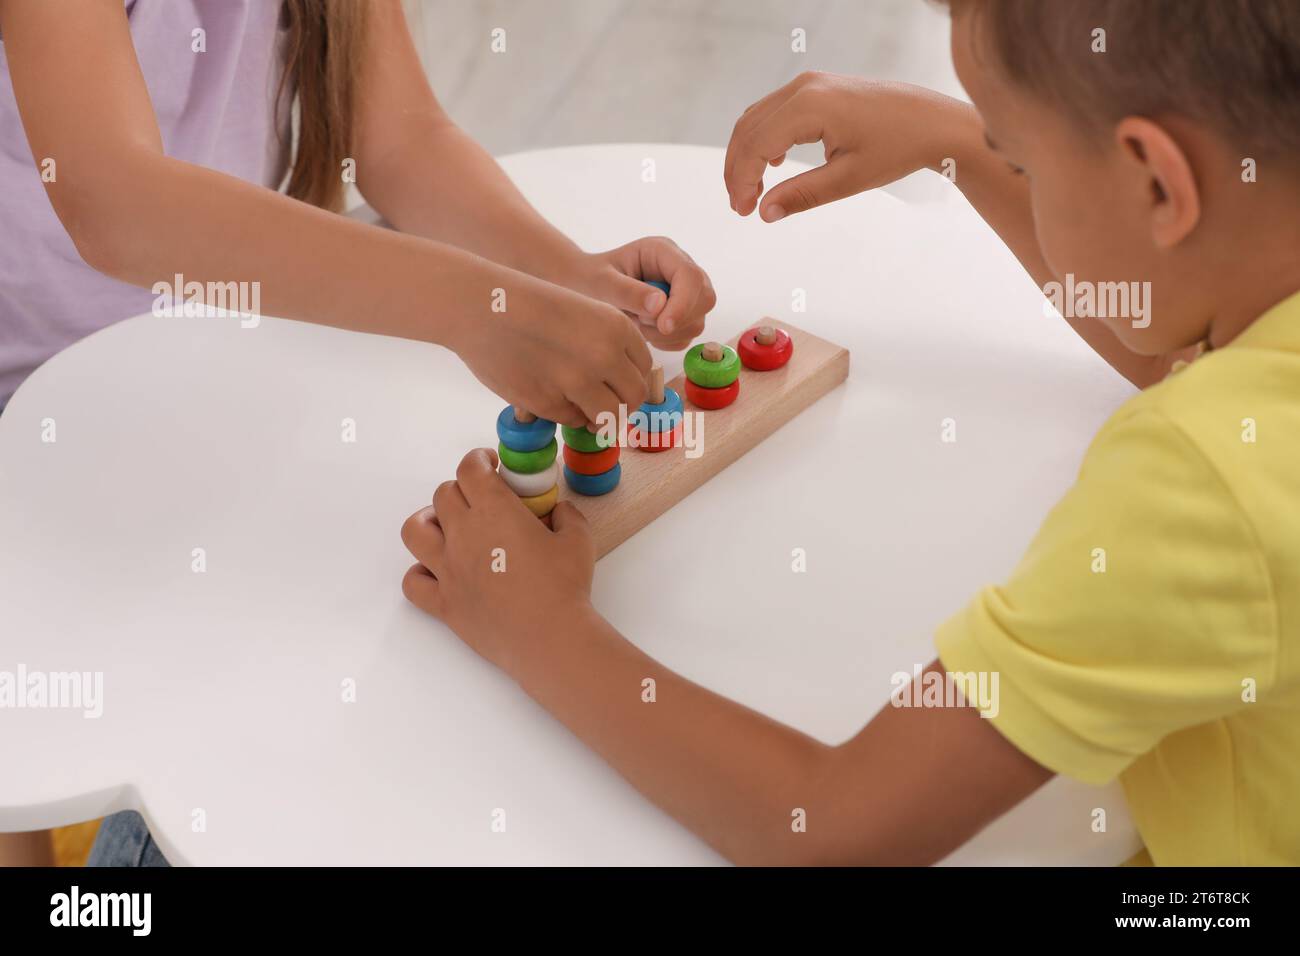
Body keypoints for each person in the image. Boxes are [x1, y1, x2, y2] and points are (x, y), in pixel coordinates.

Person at [401, 0, 1300, 865]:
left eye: (1020, 158)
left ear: (1156, 181)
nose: (1007, 165)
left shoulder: (1199, 482)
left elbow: (832, 833)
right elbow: (1182, 350)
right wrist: (958, 143)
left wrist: (542, 631)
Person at [0, 0, 714, 866]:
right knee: (54, 751)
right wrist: (469, 309)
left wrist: (565, 276)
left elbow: (399, 137)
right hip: (33, 412)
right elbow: (111, 197)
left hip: (225, 350)